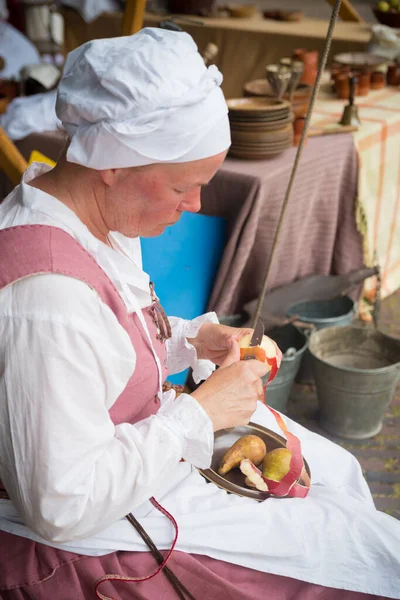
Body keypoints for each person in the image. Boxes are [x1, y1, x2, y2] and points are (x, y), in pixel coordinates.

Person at [0, 28, 399, 600]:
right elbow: (61, 505)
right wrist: (197, 417)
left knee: (336, 475)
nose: (196, 206)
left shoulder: (89, 215)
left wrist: (191, 341)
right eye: (186, 186)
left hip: (138, 453)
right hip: (90, 535)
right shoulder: (44, 300)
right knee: (363, 560)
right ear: (113, 163)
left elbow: (100, 353)